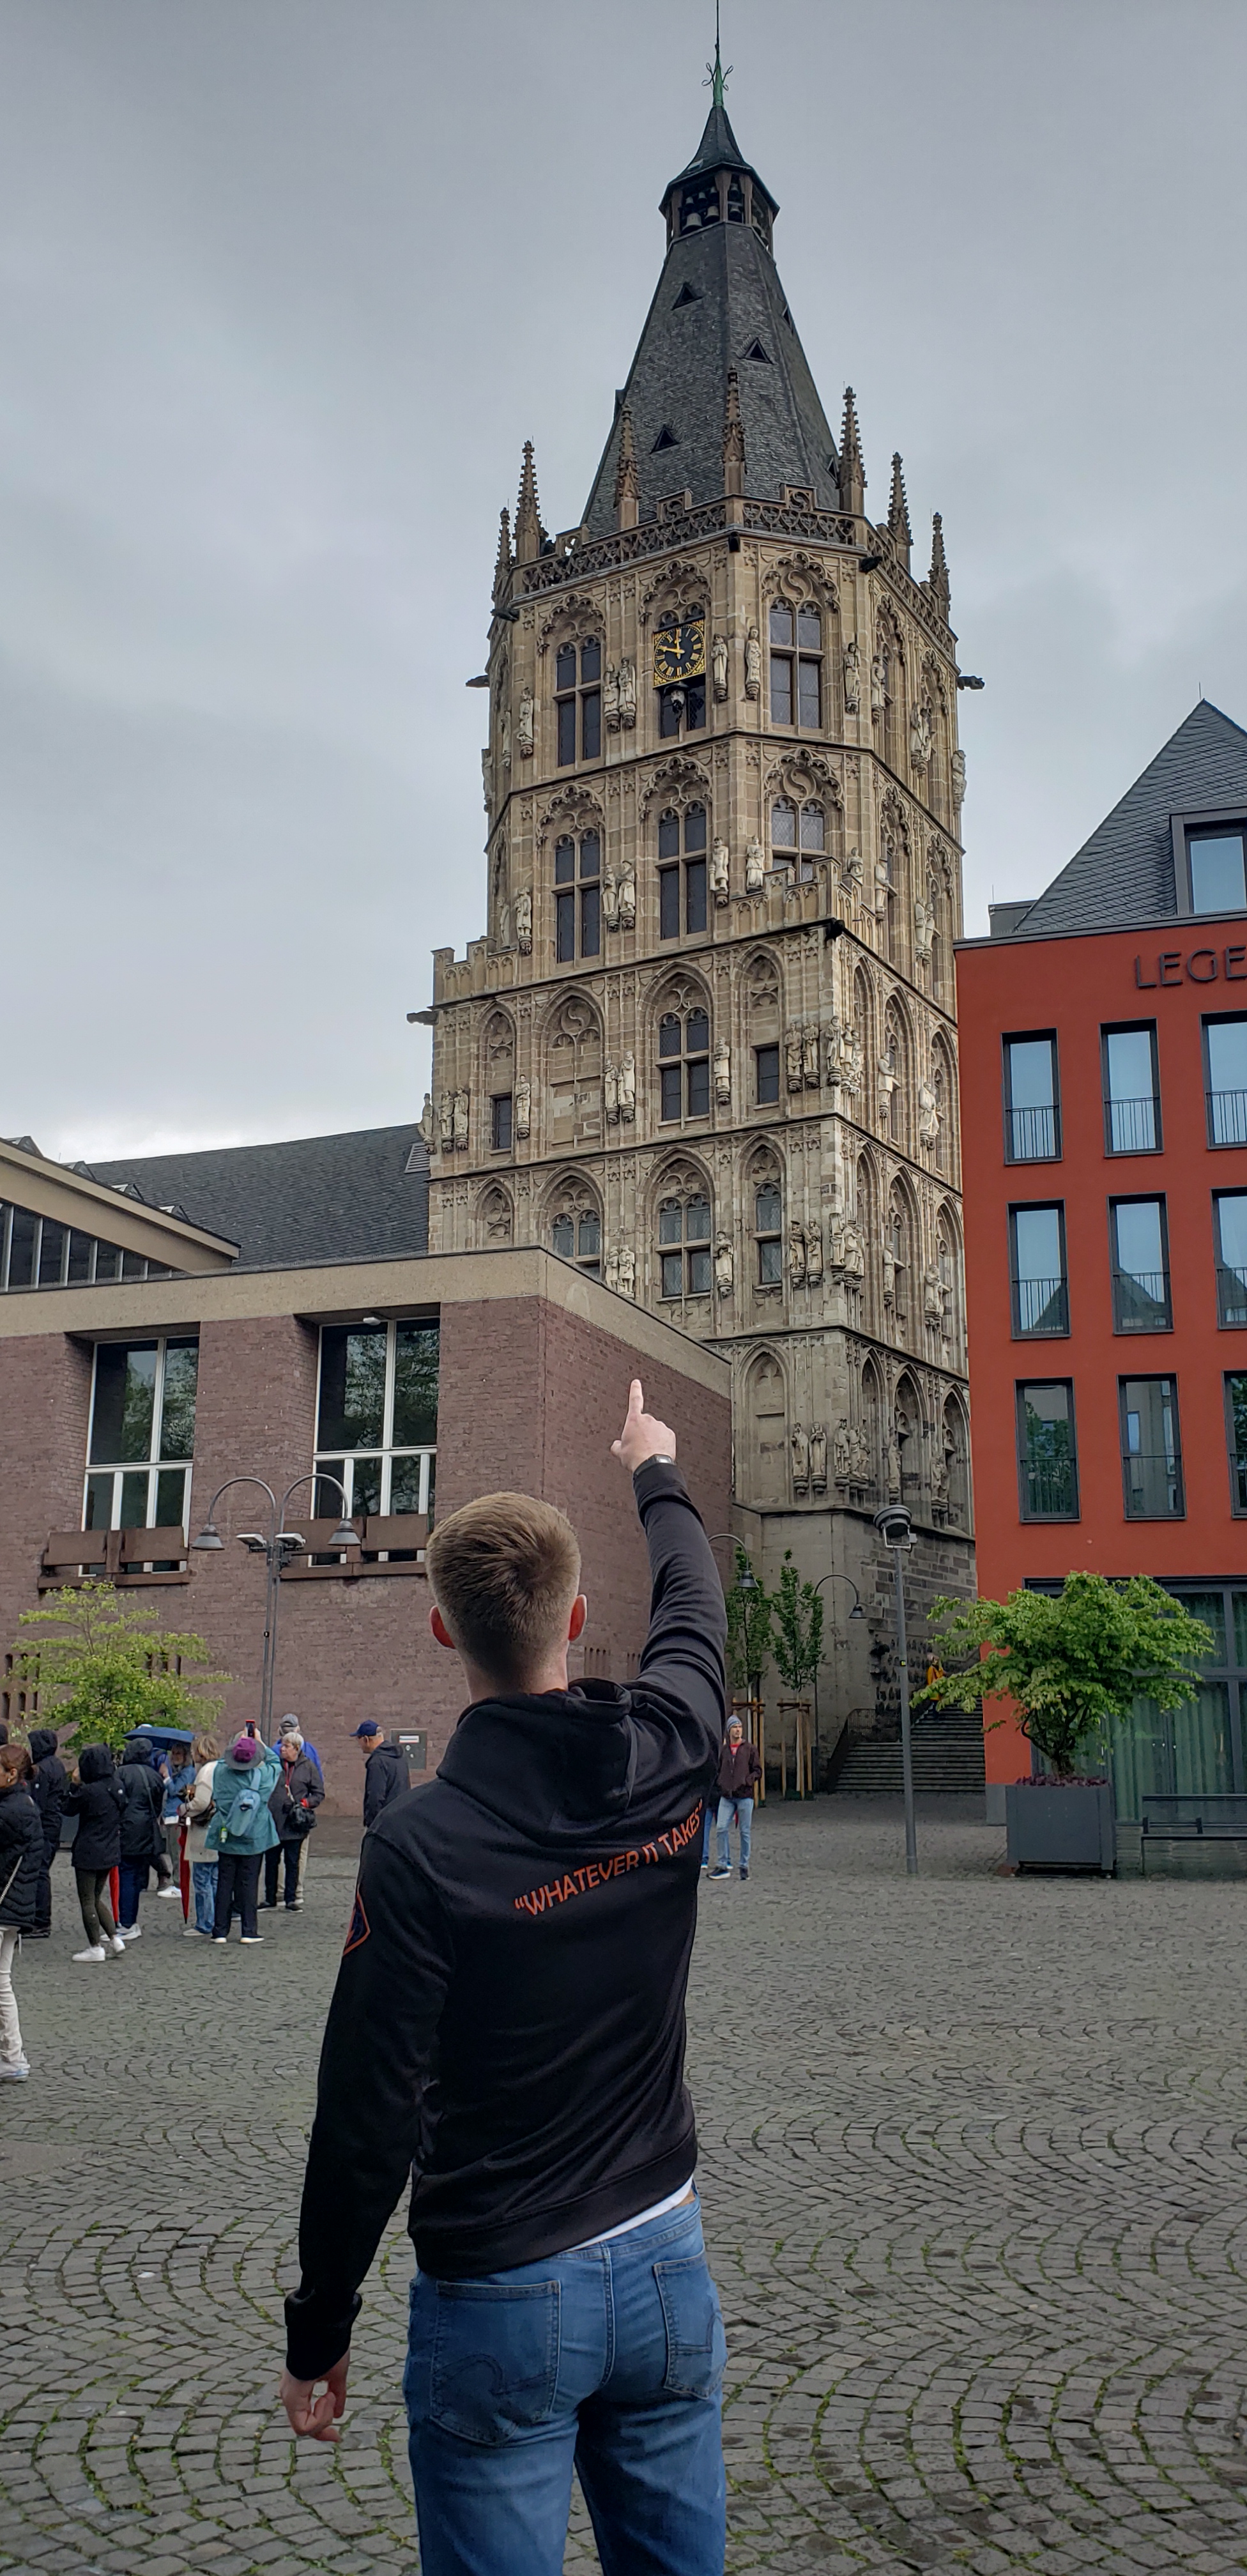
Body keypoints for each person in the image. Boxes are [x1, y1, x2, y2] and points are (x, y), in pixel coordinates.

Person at [280, 1379, 728, 2576]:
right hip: (665, 2254)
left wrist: (321, 2326)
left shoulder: (421, 1845)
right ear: (577, 1615)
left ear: (443, 1631)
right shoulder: (669, 1749)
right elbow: (695, 1606)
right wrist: (652, 1465)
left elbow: (366, 2112)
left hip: (501, 2285)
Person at [208, 1732, 280, 1944]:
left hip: (226, 1834)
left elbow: (222, 1760)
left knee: (224, 1882)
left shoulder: (220, 1772)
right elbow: (275, 1762)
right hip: (253, 1836)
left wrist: (238, 1742)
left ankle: (220, 1930)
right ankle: (248, 1931)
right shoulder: (263, 1776)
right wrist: (259, 1741)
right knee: (249, 1883)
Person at [0, 1744, 43, 2080]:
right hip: (12, 1906)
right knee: (2, 1982)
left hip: (5, 1905)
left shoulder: (12, 1811)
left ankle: (14, 2057)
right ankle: (13, 2057)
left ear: (11, 1774)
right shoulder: (21, 1804)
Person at [64, 1745, 126, 1962]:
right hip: (110, 1848)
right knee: (97, 1897)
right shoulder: (117, 1786)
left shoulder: (89, 1791)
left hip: (88, 1850)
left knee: (87, 1899)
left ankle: (95, 1947)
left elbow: (67, 1808)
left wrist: (73, 1784)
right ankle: (115, 1938)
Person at [264, 1731, 323, 1912]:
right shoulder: (275, 1766)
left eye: (286, 1746)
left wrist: (305, 1803)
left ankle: (291, 1898)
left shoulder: (308, 1767)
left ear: (296, 1749)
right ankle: (270, 1897)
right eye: (282, 1745)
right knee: (271, 1862)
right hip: (274, 1821)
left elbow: (319, 1793)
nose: (282, 1749)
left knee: (292, 1862)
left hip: (294, 1822)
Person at [116, 1733, 167, 1940]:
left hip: (126, 1829)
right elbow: (158, 1805)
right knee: (136, 1875)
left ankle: (126, 1922)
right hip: (147, 1829)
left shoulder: (121, 1773)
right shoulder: (154, 1776)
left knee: (126, 1874)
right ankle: (130, 1921)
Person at [707, 1717, 762, 1883]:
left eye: (740, 1727)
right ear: (729, 1731)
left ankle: (744, 1865)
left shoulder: (750, 1749)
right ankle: (722, 1864)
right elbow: (718, 1769)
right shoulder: (724, 1751)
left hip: (744, 1796)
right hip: (727, 1796)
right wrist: (721, 1783)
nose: (738, 1730)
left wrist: (748, 1781)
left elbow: (758, 1770)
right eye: (735, 1727)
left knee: (745, 1832)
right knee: (721, 1828)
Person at [27, 1726, 68, 1939]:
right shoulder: (57, 1765)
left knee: (40, 1871)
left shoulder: (41, 1770)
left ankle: (41, 1920)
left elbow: (38, 1802)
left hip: (44, 1824)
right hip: (54, 1822)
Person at [180, 1732, 220, 1937]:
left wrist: (185, 1808)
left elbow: (202, 1802)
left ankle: (205, 1922)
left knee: (203, 1879)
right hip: (218, 1829)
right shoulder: (221, 1769)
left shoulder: (206, 1773)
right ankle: (215, 1919)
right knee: (214, 1879)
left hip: (204, 1831)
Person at [353, 1720, 406, 1827]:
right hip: (400, 1819)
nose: (358, 1743)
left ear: (366, 1739)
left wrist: (372, 1825)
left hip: (384, 1825)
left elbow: (375, 1797)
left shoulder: (377, 1762)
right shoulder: (399, 1757)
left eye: (358, 1738)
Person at [160, 1745, 195, 1898]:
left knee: (177, 1853)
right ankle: (178, 1882)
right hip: (171, 1815)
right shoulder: (179, 1771)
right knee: (173, 1852)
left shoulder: (188, 1772)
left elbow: (175, 1791)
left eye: (179, 1753)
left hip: (178, 1816)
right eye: (173, 1753)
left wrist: (166, 1777)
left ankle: (179, 1885)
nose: (175, 1756)